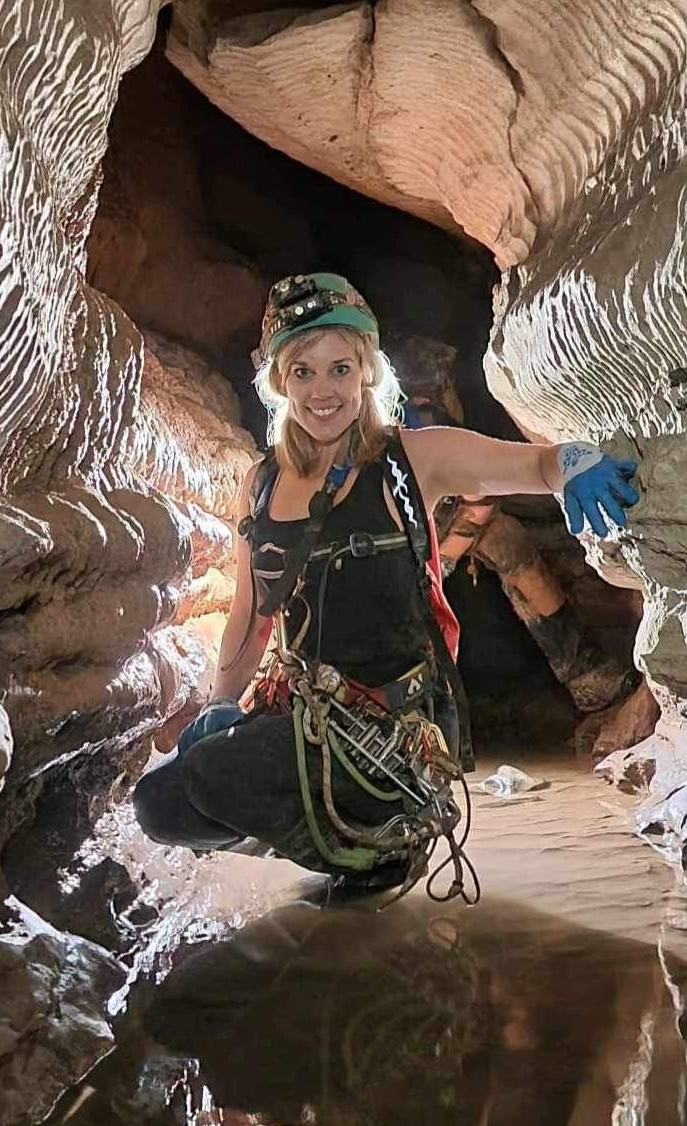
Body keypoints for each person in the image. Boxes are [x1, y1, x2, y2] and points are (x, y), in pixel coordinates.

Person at [133, 273, 639, 898]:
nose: (324, 391)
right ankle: (344, 844)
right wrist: (220, 704)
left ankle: (390, 840)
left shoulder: (410, 459)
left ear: (368, 372)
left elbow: (527, 463)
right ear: (280, 381)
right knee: (161, 805)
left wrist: (569, 464)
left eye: (341, 369)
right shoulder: (261, 484)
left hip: (395, 730)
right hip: (305, 716)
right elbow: (252, 614)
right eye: (304, 372)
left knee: (213, 773)